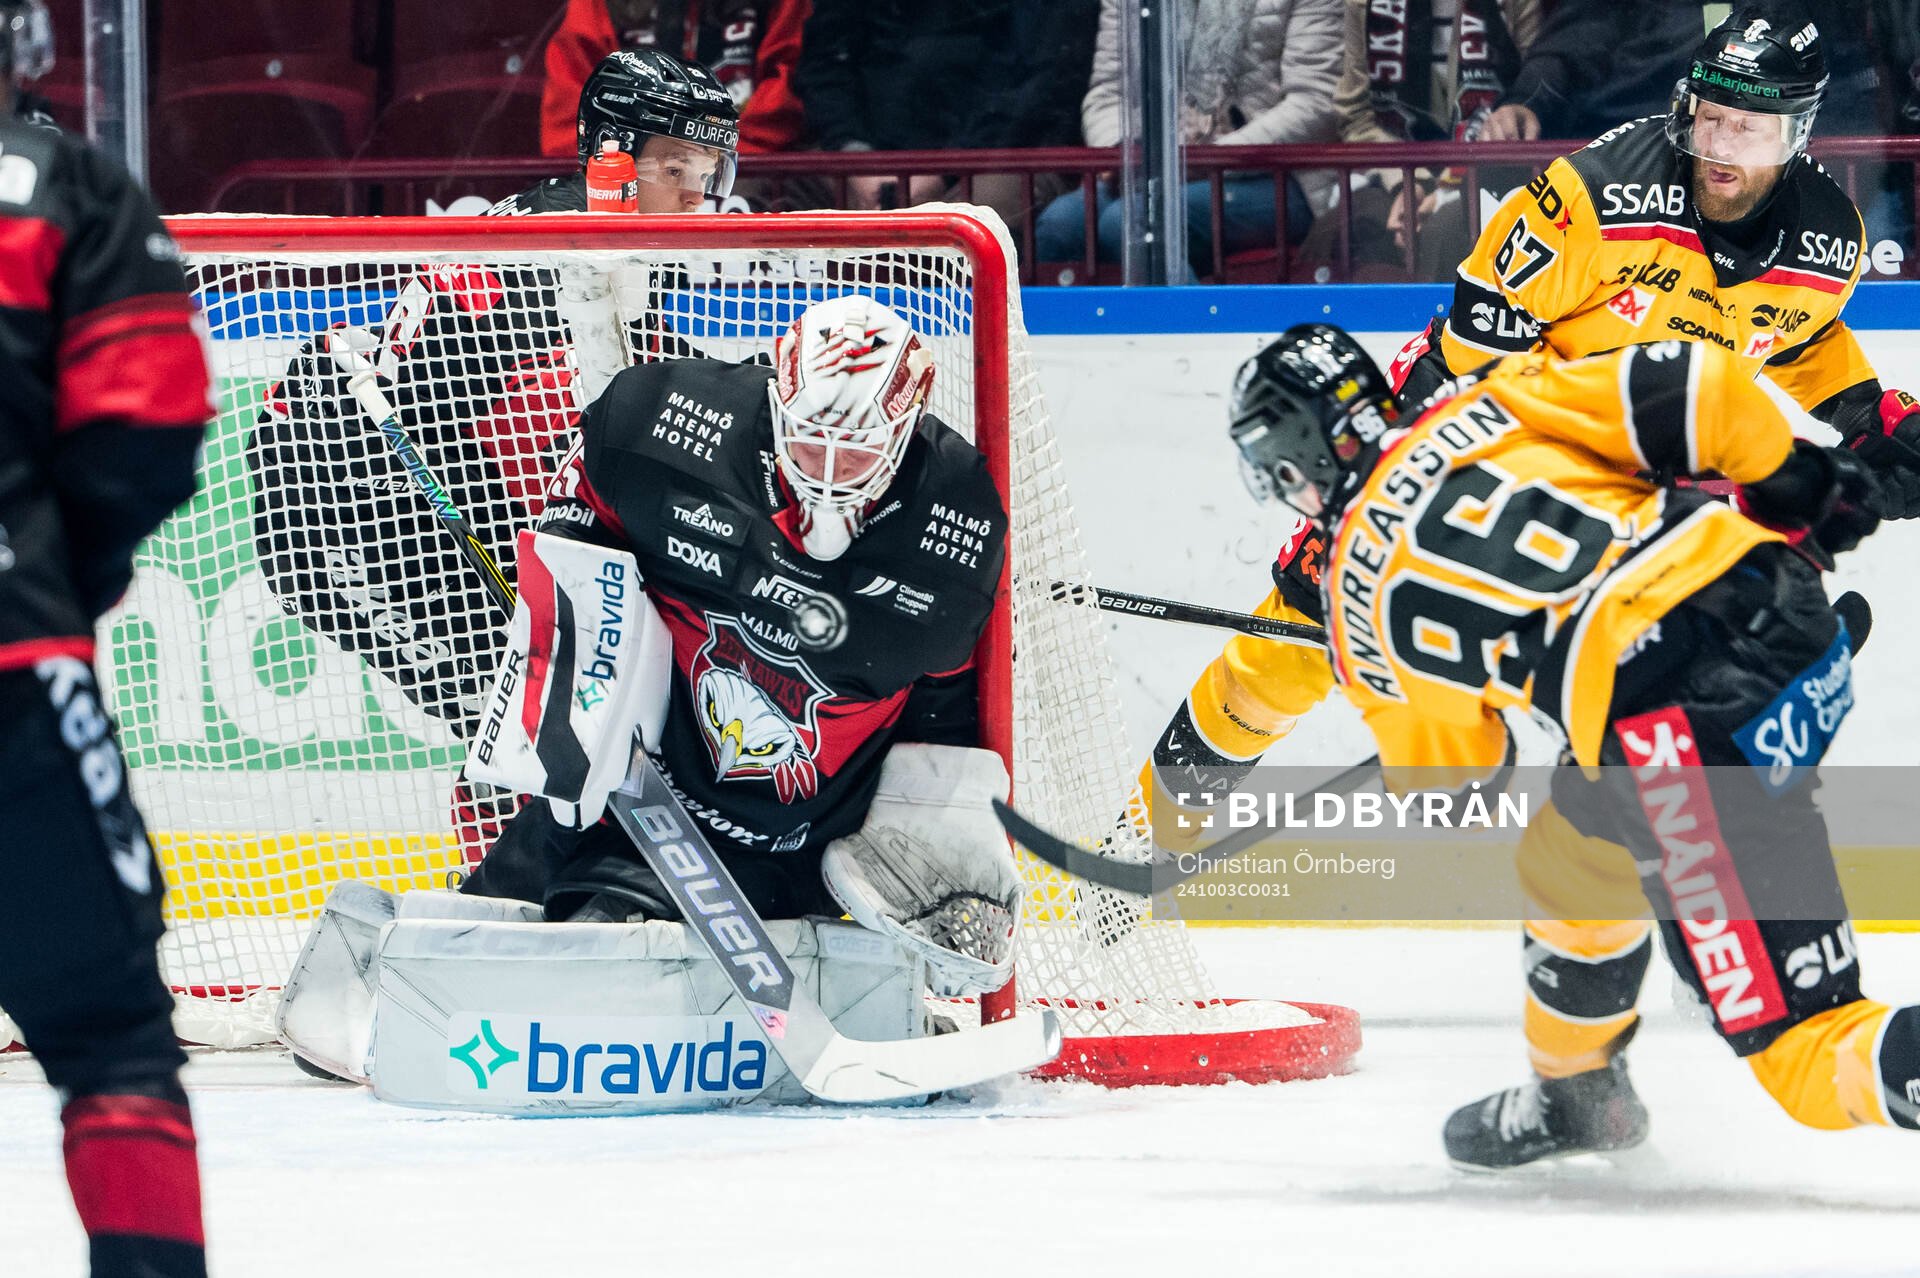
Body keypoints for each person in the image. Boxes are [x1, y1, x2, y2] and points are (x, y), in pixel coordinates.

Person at [1230, 322, 1920, 1166]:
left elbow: (1457, 783)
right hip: (1785, 613)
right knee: (1571, 852)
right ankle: (1578, 1093)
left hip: (1682, 736)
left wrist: (1445, 701)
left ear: (1293, 464)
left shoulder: (1352, 602)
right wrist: (1800, 485)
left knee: (1806, 1058)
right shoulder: (1490, 396)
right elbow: (1695, 388)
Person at [456, 293, 1019, 1000]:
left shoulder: (956, 524)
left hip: (809, 848)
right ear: (777, 395)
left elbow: (946, 714)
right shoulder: (662, 419)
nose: (830, 470)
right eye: (812, 440)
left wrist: (939, 853)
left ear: (907, 426)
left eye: (860, 449)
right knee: (497, 965)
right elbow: (577, 559)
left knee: (618, 986)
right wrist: (572, 720)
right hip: (641, 803)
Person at [247, 48, 739, 752]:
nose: (696, 195)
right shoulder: (565, 258)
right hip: (341, 506)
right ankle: (504, 857)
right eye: (675, 169)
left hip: (420, 487)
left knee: (540, 729)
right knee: (531, 729)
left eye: (706, 172)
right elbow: (558, 454)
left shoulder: (605, 237)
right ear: (614, 156)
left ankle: (506, 851)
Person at [0, 2, 216, 1271]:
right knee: (113, 1040)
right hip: (16, 666)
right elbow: (144, 431)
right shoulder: (57, 185)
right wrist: (58, 583)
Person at [1392, 1, 1920, 490]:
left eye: (1748, 128)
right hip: (1475, 415)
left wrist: (1870, 417)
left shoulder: (1832, 238)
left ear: (1796, 134)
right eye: (1710, 117)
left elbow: (1795, 334)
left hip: (1658, 460)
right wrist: (1591, 463)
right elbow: (1484, 335)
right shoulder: (1594, 194)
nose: (1718, 147)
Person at [1032, 0, 1343, 280]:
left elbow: (1315, 103)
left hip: (1274, 175)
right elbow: (1108, 92)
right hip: (1149, 171)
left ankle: (1199, 342)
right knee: (1060, 226)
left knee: (1132, 222)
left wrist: (1207, 160)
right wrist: (1122, 150)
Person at [794, 0, 1100, 228]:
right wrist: (855, 156)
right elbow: (824, 65)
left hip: (1001, 157)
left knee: (977, 221)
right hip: (861, 162)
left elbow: (1041, 85)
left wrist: (945, 171)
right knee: (755, 195)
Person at [1311, 0, 1541, 281]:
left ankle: (1442, 324)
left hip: (1487, 170)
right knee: (1347, 227)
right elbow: (1357, 114)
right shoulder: (1365, 4)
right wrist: (1408, 182)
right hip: (1396, 166)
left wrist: (1445, 188)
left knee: (1448, 229)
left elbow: (1532, 98)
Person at [541, 0, 809, 160]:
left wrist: (703, 161)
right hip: (630, 176)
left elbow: (787, 94)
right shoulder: (598, 6)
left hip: (748, 172)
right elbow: (570, 122)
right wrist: (649, 163)